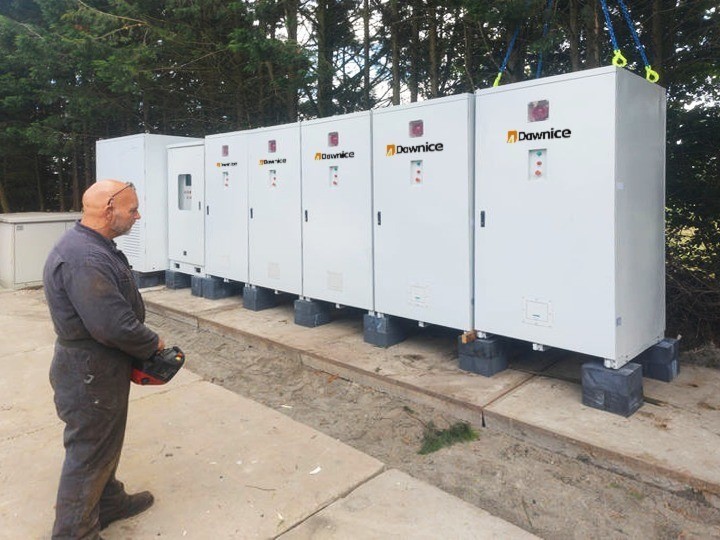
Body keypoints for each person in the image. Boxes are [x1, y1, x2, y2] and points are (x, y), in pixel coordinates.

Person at [44, 179, 165, 539]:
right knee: (89, 452)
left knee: (104, 440)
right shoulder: (86, 258)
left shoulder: (90, 244)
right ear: (109, 210)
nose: (137, 216)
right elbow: (111, 325)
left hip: (96, 367)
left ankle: (108, 501)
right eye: (132, 209)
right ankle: (74, 533)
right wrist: (152, 344)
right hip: (89, 371)